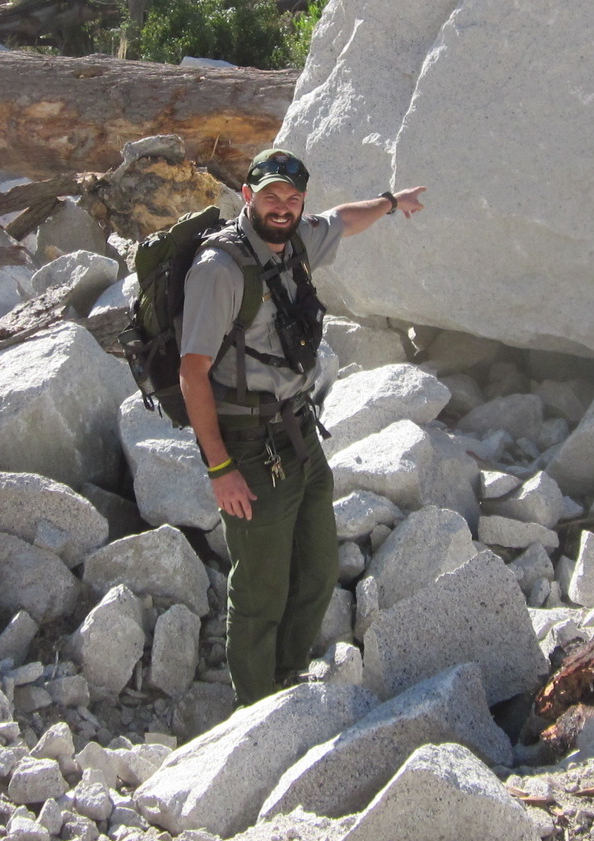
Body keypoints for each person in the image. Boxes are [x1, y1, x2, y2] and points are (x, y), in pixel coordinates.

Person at [176, 147, 427, 706]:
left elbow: (344, 219)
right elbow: (192, 374)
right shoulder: (220, 270)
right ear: (248, 196)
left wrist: (391, 203)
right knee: (260, 589)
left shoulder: (296, 241)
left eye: (292, 197)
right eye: (271, 195)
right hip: (247, 446)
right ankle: (255, 710)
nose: (282, 206)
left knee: (317, 571)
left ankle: (285, 679)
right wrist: (220, 468)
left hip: (300, 432)